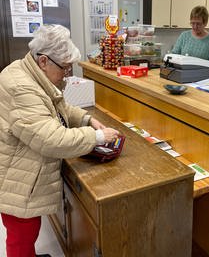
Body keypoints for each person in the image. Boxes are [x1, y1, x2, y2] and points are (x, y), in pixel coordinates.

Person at [0, 24, 120, 257]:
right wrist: (96, 137)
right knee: (22, 235)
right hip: (16, 178)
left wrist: (87, 120)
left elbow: (59, 106)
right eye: (64, 68)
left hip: (21, 169)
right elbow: (51, 139)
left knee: (27, 232)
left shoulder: (31, 72)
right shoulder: (22, 88)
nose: (67, 74)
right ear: (43, 61)